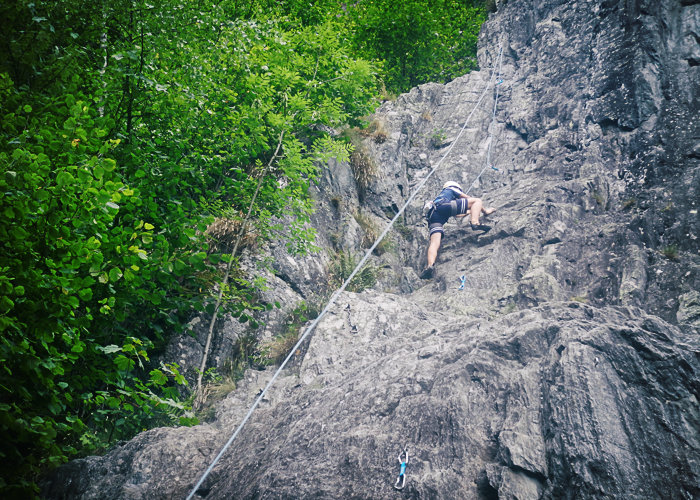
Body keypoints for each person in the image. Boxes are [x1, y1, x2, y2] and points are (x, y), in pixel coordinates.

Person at [420, 181, 496, 279]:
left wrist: (471, 211)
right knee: (477, 200)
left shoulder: (440, 197)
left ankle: (430, 266)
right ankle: (475, 223)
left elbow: (457, 214)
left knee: (434, 242)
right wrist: (485, 211)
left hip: (434, 215)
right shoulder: (451, 189)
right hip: (444, 207)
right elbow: (470, 199)